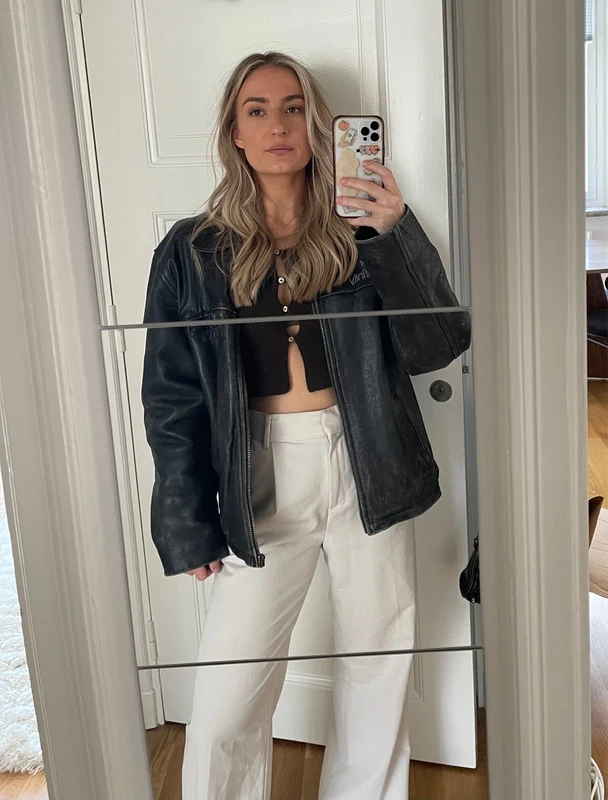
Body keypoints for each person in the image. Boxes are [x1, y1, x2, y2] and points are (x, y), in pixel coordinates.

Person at [141, 51, 471, 800]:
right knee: (228, 690)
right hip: (259, 471)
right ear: (234, 132)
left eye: (294, 107)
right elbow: (171, 395)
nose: (278, 124)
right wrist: (186, 520)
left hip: (369, 459)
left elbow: (436, 346)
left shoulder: (362, 232)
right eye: (257, 110)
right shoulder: (192, 251)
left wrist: (395, 236)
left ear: (318, 125)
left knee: (379, 662)